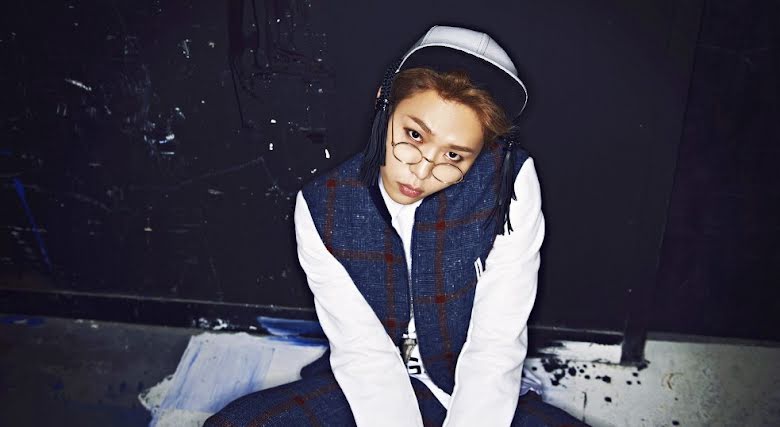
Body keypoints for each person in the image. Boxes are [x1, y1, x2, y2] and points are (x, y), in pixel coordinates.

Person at [206, 25, 587, 427]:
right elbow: (363, 352)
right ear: (384, 103)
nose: (422, 170)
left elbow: (496, 343)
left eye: (454, 156)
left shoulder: (508, 186)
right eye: (414, 134)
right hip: (368, 389)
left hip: (472, 393)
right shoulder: (322, 207)